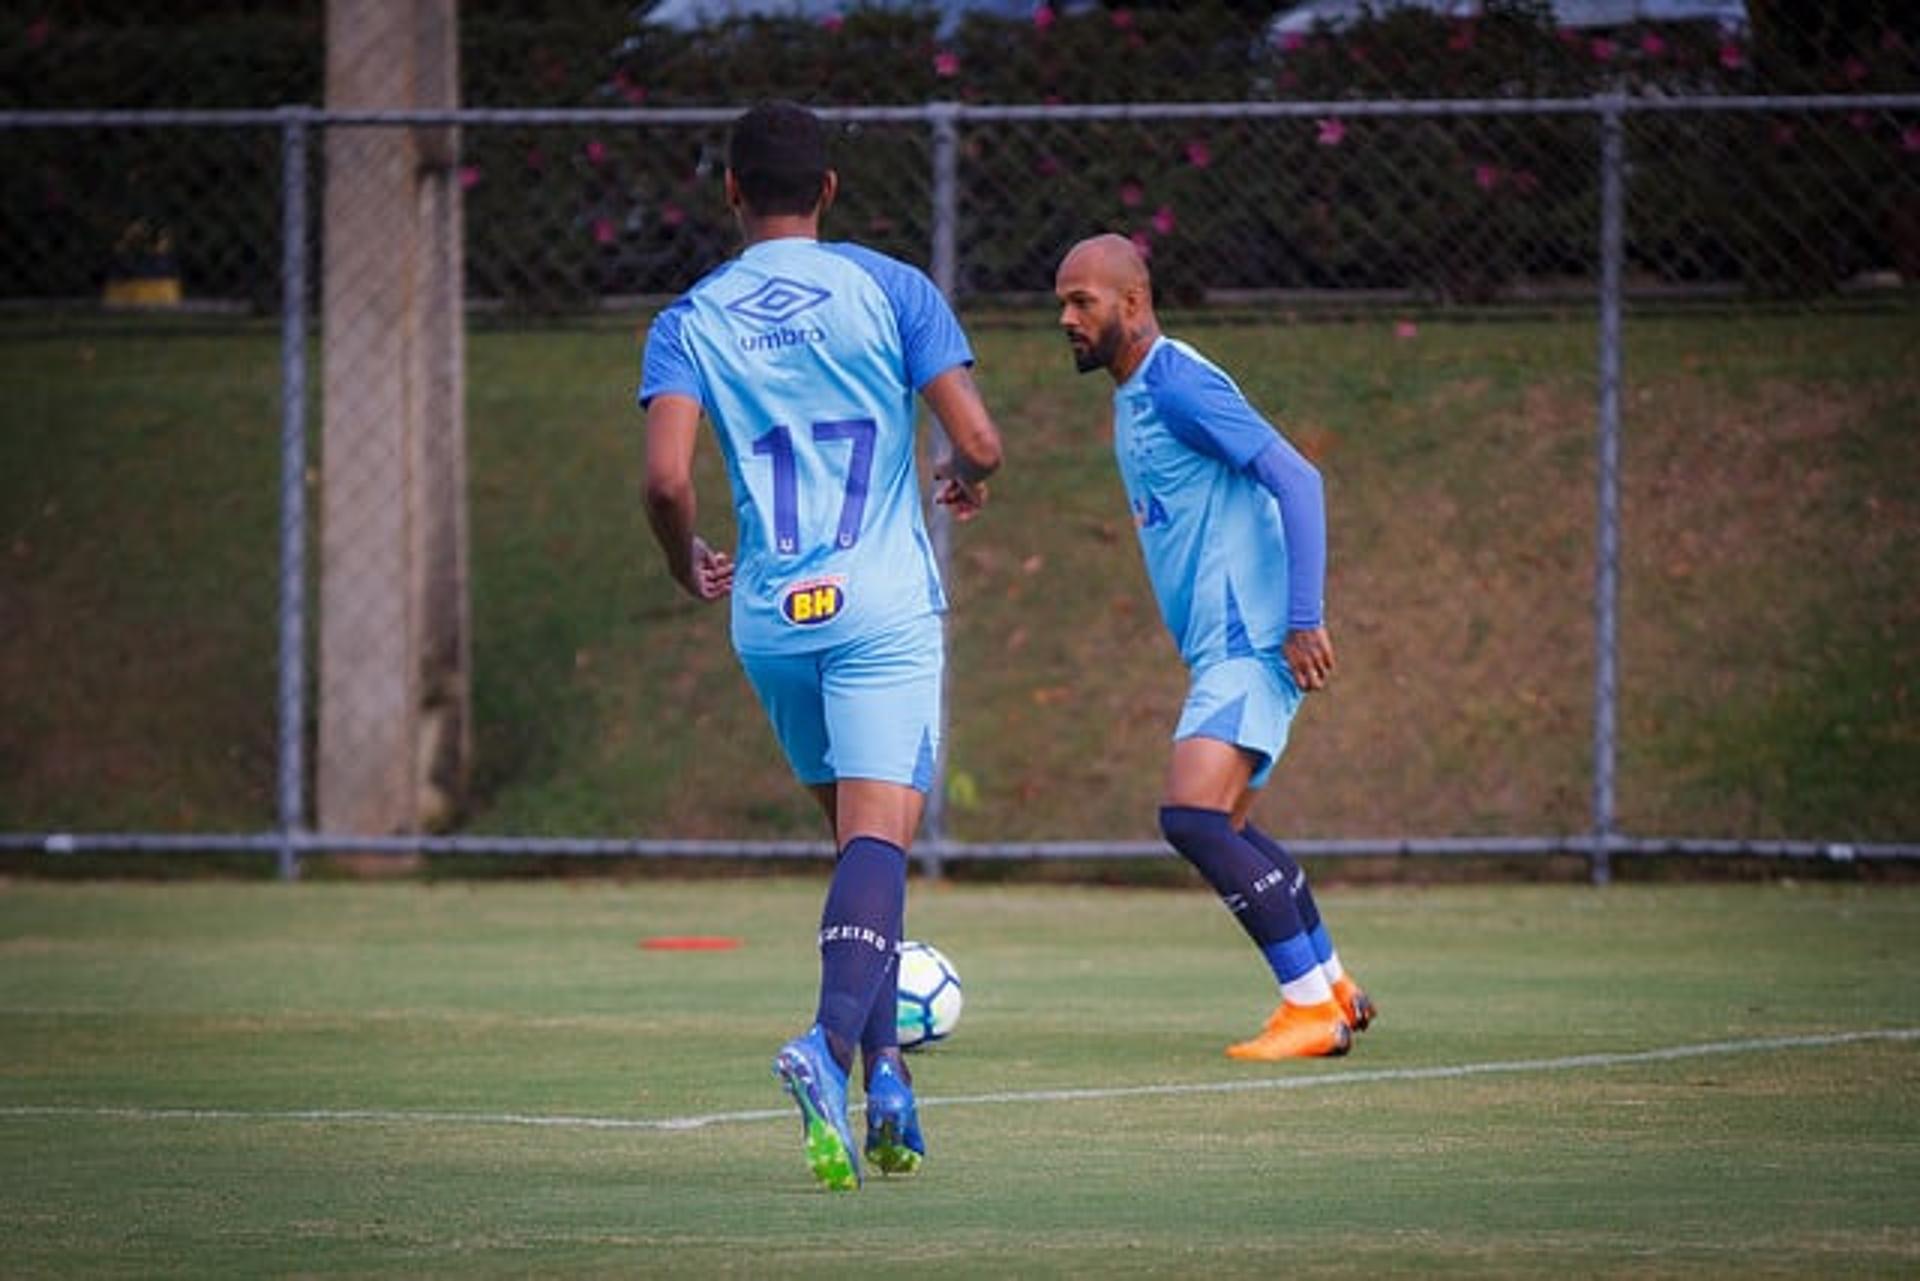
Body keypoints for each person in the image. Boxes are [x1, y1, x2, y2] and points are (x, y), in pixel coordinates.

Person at [638, 100, 1003, 1190]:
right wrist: (966, 475)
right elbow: (980, 438)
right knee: (878, 845)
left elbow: (664, 480)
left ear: (733, 194)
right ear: (830, 190)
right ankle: (828, 1049)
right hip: (881, 606)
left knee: (857, 849)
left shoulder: (689, 318)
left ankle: (890, 1082)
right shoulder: (892, 289)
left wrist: (679, 557)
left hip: (769, 617)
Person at [1053, 233, 1373, 1061]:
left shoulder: (1178, 384)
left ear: (1132, 301)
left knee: (1192, 817)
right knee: (1226, 818)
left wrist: (1304, 617)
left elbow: (1298, 479)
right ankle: (1332, 983)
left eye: (1082, 301)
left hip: (1251, 640)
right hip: (1226, 646)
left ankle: (1308, 1008)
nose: (1067, 317)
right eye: (1062, 302)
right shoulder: (1138, 393)